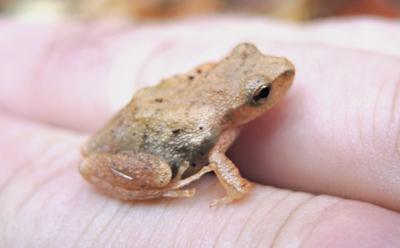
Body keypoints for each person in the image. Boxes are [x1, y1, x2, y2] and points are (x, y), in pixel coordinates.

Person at [1, 16, 400, 247]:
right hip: (147, 146)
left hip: (137, 118)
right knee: (159, 173)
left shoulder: (216, 91)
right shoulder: (221, 126)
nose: (276, 82)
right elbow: (216, 157)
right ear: (242, 105)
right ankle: (156, 184)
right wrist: (237, 189)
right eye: (261, 94)